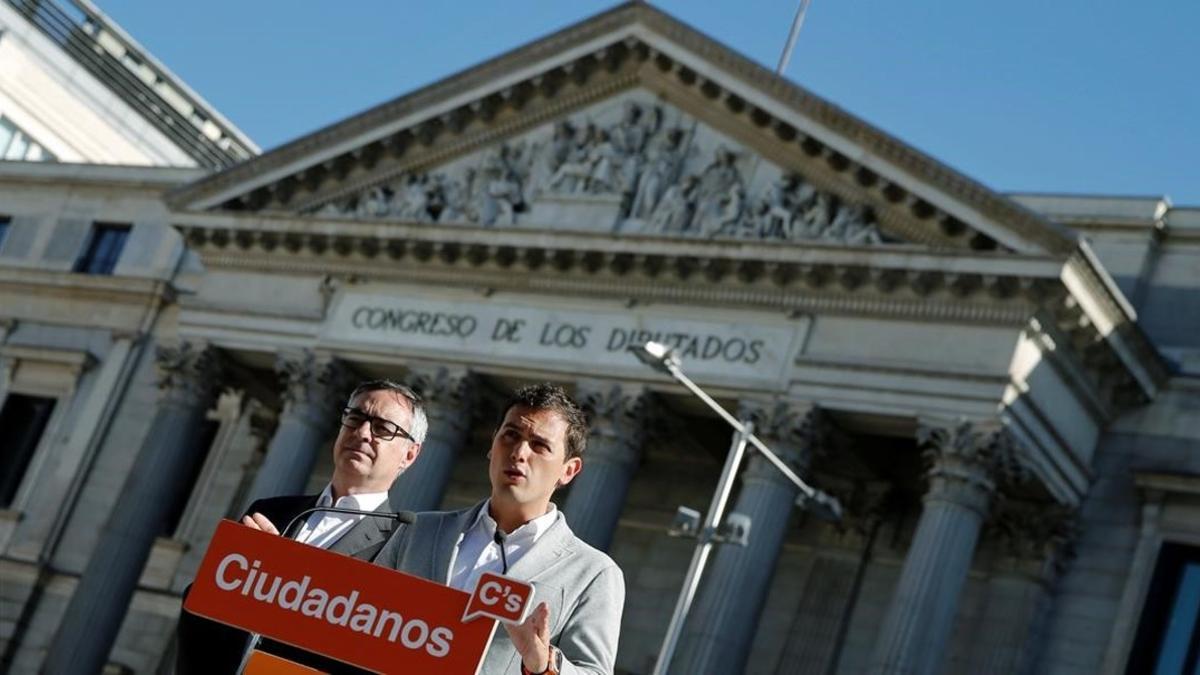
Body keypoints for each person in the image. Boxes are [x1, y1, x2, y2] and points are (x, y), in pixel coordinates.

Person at [176, 379, 427, 674]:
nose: (361, 433)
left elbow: (367, 657)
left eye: (382, 428)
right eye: (355, 418)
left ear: (409, 454)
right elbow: (199, 606)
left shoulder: (403, 554)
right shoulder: (270, 512)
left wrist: (278, 577)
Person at [378, 383, 625, 675]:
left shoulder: (593, 573)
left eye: (540, 446)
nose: (519, 452)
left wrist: (544, 663)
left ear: (568, 470)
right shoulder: (417, 530)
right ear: (492, 444)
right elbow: (359, 623)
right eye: (511, 436)